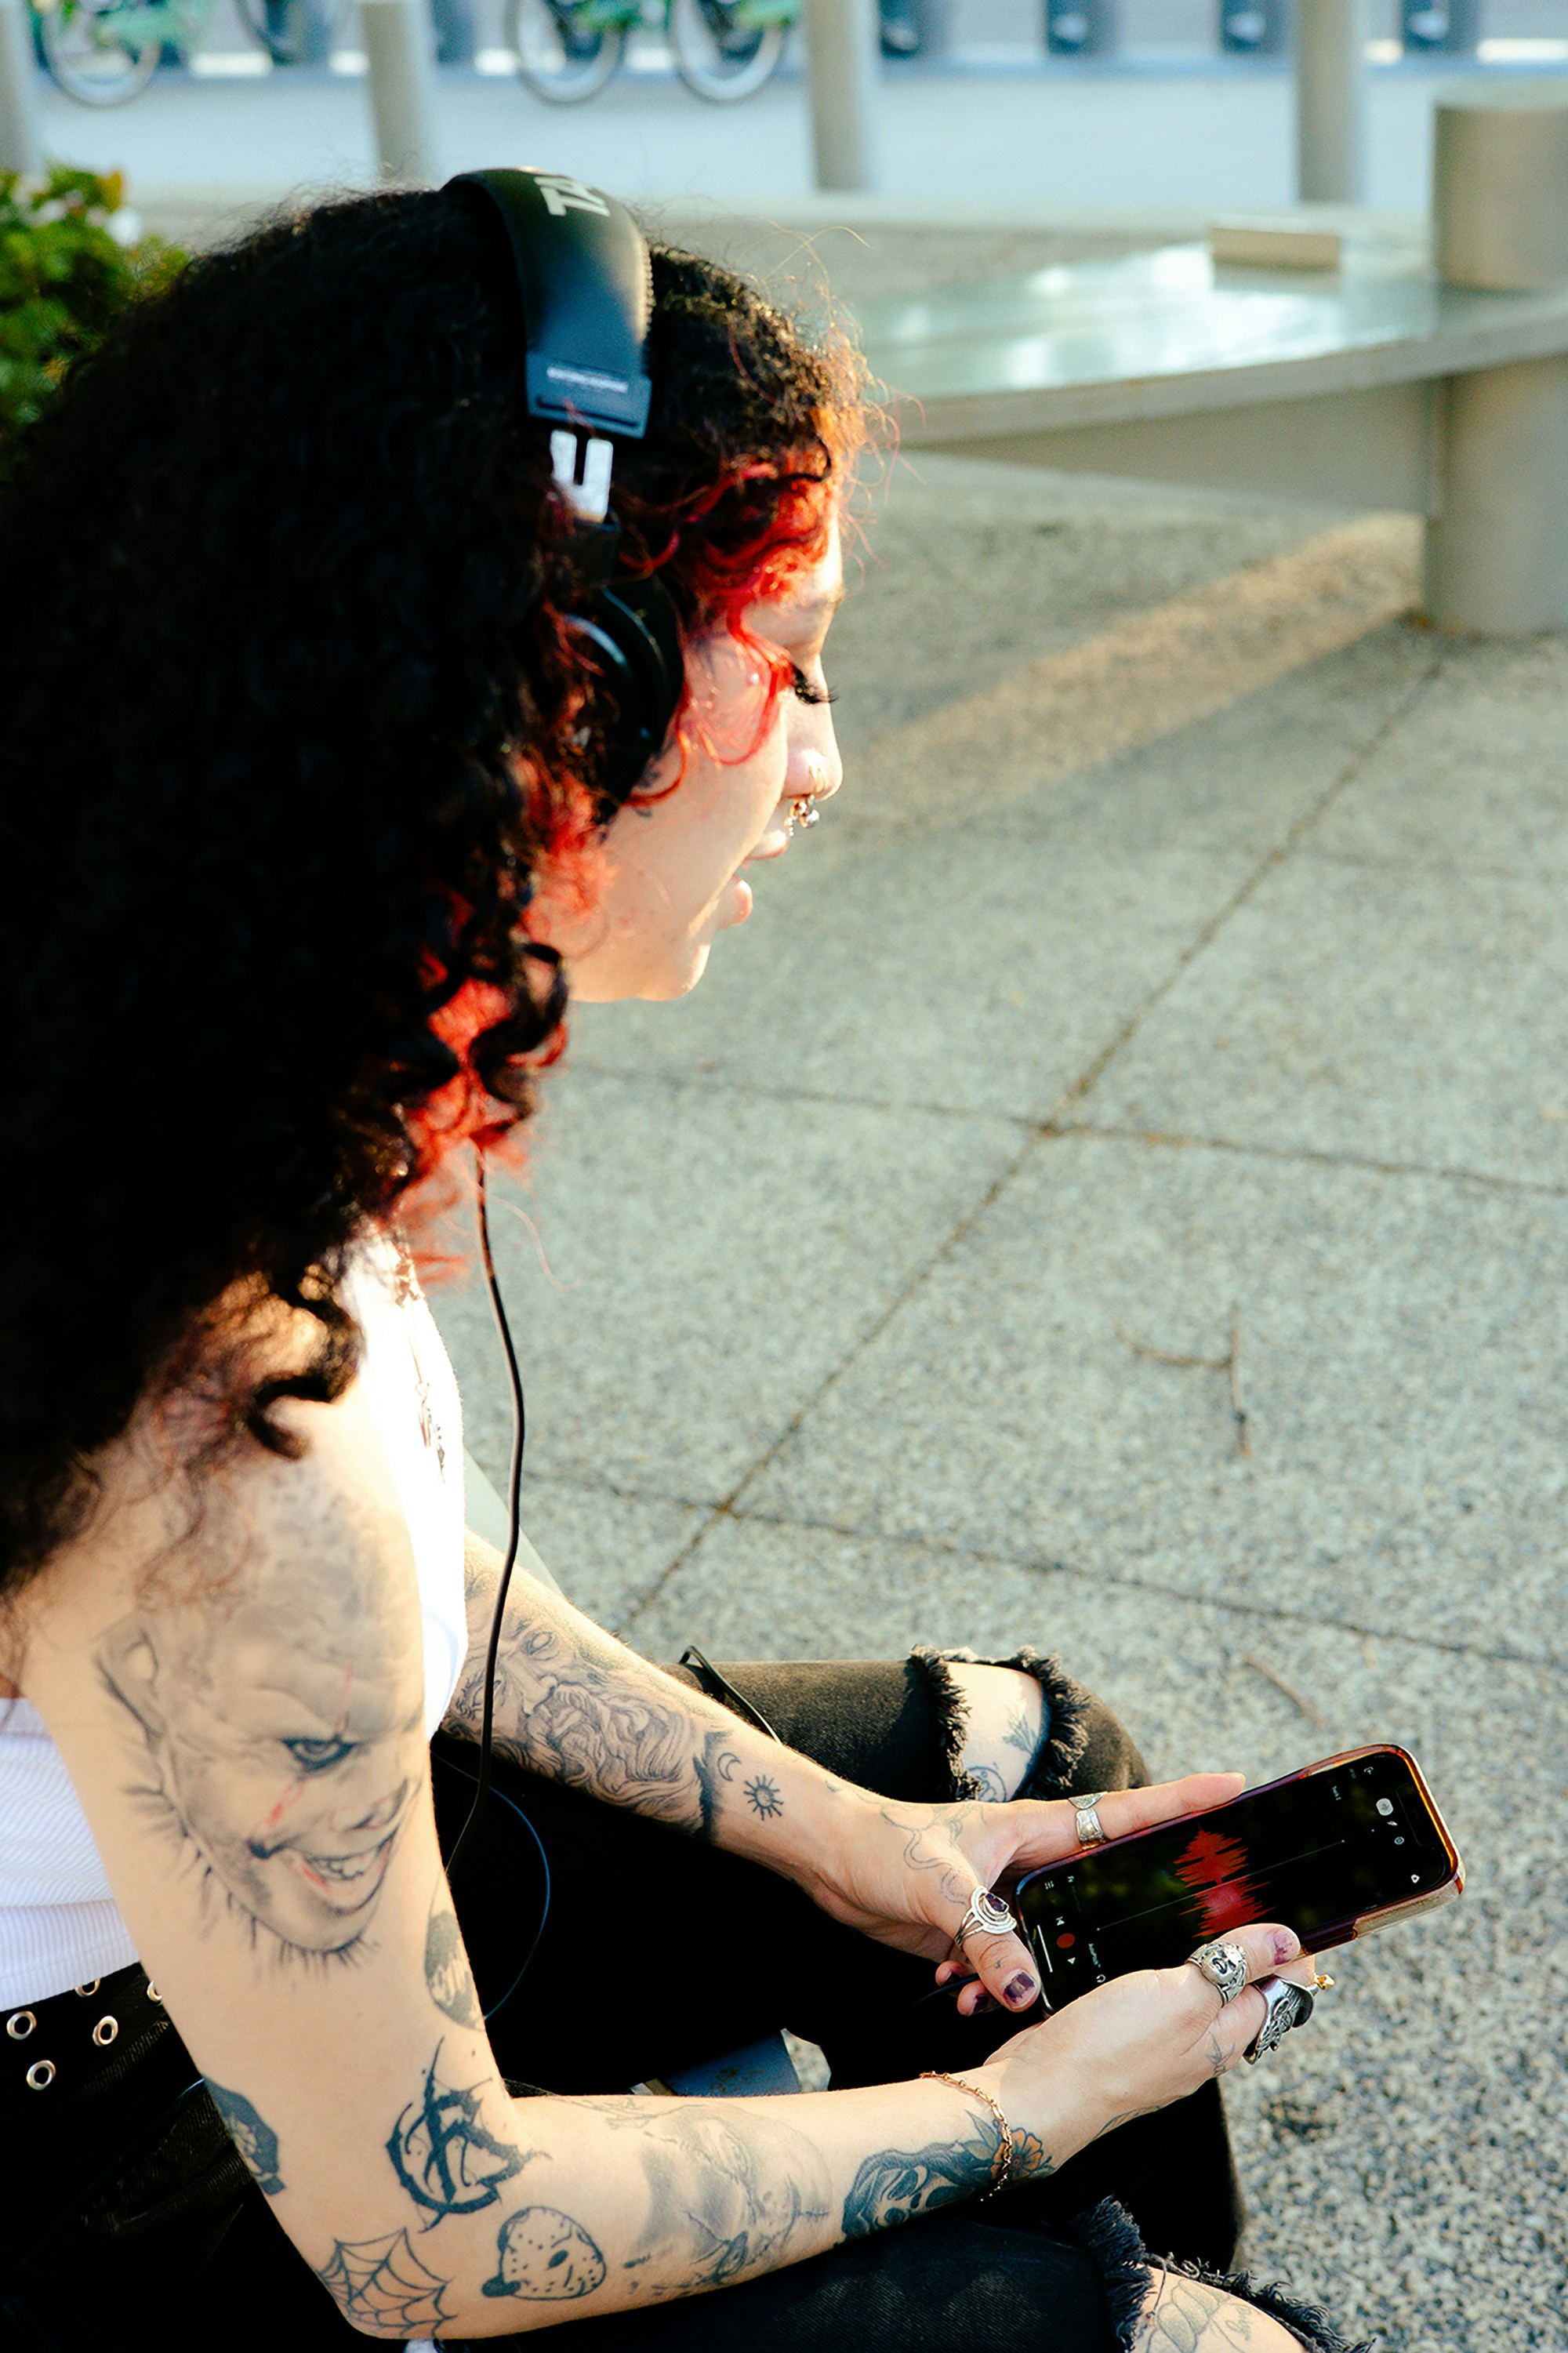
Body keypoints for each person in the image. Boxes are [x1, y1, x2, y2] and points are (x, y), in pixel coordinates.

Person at [0, 180, 1366, 2352]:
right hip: (114, 2180)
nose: (824, 761)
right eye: (792, 659)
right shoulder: (226, 1407)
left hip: (249, 1915)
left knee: (1006, 1784)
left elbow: (398, 1586)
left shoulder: (170, 1038)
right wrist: (1005, 2115)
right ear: (557, 691)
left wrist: (838, 1828)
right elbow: (429, 2226)